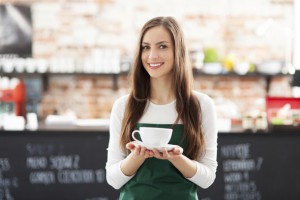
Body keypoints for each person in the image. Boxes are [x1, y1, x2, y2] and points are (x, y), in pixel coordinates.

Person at [106, 16, 218, 200]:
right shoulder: (124, 106)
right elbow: (113, 179)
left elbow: (207, 179)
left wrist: (176, 158)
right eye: (146, 47)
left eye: (162, 46)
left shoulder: (201, 105)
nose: (152, 56)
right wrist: (138, 156)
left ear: (178, 51)